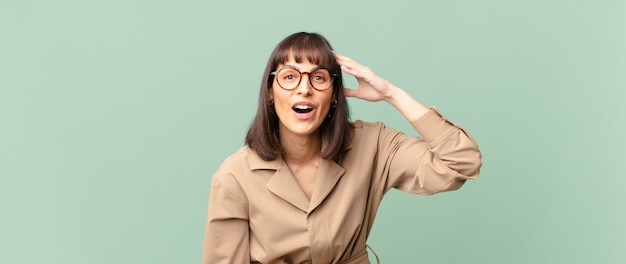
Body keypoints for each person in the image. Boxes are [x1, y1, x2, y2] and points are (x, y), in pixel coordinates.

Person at [202, 32, 483, 264]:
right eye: (289, 76)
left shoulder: (372, 144)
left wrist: (391, 94)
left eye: (319, 77)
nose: (304, 88)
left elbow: (462, 161)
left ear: (334, 95)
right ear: (270, 93)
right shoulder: (234, 177)